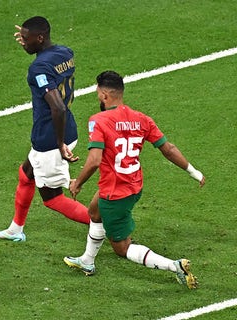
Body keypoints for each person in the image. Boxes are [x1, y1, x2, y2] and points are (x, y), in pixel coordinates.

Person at [63, 71, 205, 289]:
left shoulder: (98, 121)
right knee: (94, 211)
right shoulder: (141, 119)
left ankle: (174, 266)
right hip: (133, 185)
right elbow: (168, 149)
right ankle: (87, 261)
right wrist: (193, 171)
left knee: (121, 248)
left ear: (103, 95)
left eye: (97, 93)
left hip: (115, 192)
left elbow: (93, 161)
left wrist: (78, 183)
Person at [0, 16, 90, 242]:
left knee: (53, 199)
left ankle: (108, 225)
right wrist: (29, 35)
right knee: (26, 174)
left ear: (40, 37)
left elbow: (57, 107)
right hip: (67, 129)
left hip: (51, 139)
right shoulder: (65, 52)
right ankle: (16, 229)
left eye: (26, 39)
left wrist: (59, 145)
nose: (22, 43)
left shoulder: (38, 68)